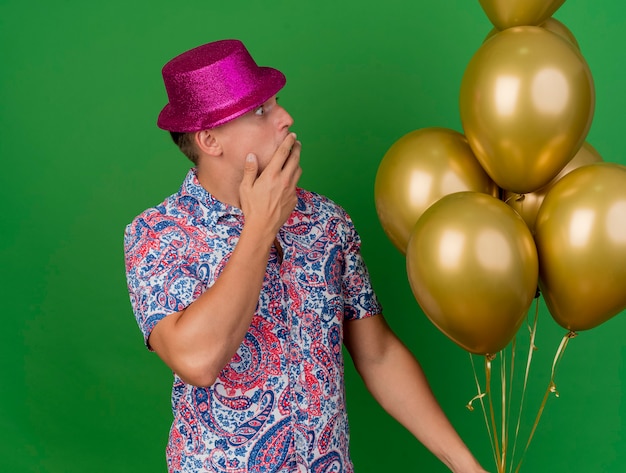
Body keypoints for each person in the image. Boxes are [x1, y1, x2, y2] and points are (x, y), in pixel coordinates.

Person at [124, 39, 488, 473]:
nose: (285, 118)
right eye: (261, 110)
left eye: (277, 102)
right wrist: (260, 226)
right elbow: (197, 362)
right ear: (209, 139)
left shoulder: (326, 222)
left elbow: (378, 355)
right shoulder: (156, 235)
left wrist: (467, 466)